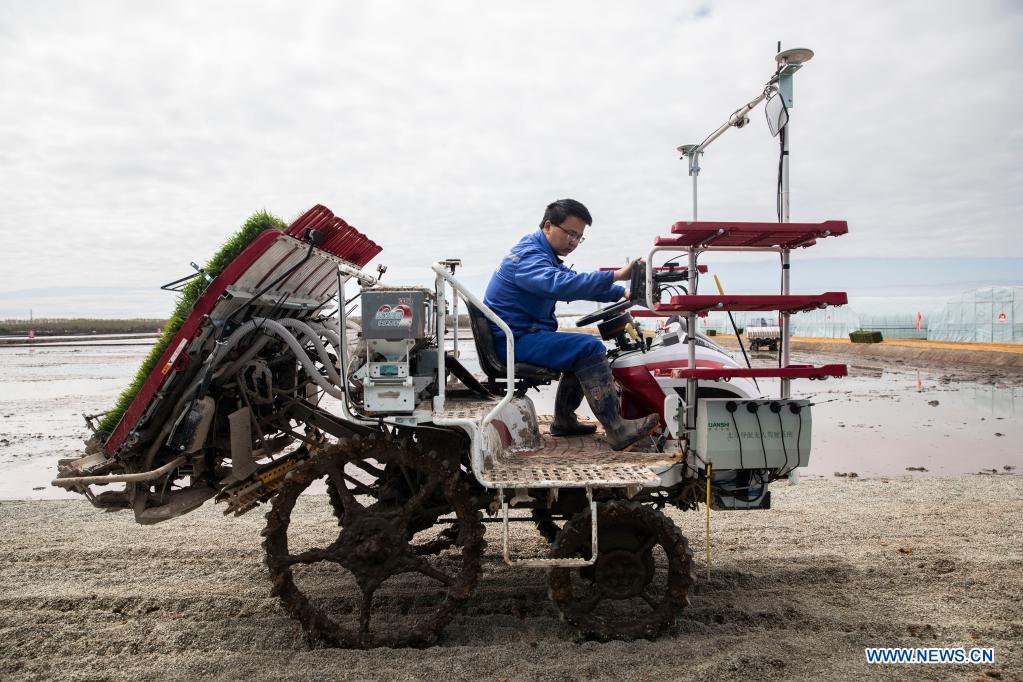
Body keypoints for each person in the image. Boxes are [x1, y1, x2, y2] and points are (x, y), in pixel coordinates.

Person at [483, 198, 659, 451]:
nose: (574, 242)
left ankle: (565, 421)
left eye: (579, 237)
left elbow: (571, 280)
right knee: (589, 348)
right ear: (548, 226)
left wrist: (622, 292)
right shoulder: (529, 257)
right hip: (513, 342)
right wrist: (617, 275)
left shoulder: (541, 254)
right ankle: (617, 429)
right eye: (570, 233)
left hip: (520, 336)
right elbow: (561, 285)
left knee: (577, 349)